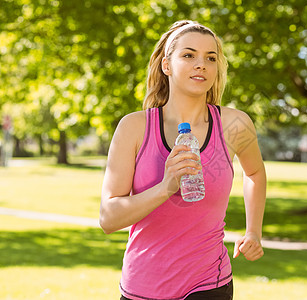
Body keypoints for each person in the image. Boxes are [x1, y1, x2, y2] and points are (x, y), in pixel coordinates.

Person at [99, 20, 266, 300]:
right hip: (143, 287)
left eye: (210, 58)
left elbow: (255, 174)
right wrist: (166, 187)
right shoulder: (133, 127)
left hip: (209, 284)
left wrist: (253, 231)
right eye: (188, 55)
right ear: (167, 65)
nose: (201, 64)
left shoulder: (236, 125)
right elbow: (108, 218)